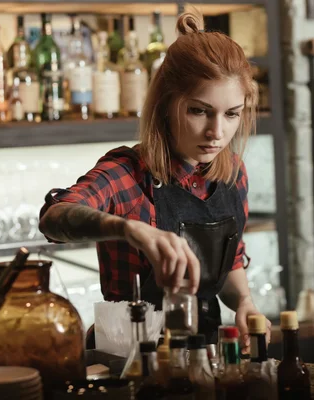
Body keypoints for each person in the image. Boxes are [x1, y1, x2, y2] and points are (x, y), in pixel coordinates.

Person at [39, 9, 271, 350]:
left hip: (204, 355)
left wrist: (245, 303)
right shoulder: (129, 174)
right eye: (199, 111)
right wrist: (129, 229)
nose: (216, 132)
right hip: (128, 359)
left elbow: (230, 262)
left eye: (231, 114)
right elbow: (53, 219)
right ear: (166, 104)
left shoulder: (233, 175)